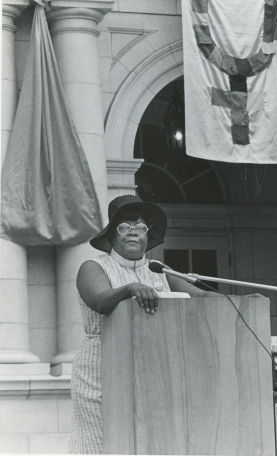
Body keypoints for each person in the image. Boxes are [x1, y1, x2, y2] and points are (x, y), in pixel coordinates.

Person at [69, 194, 221, 454]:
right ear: (112, 236)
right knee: (101, 444)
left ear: (148, 236)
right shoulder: (93, 267)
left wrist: (239, 300)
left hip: (151, 371)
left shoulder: (158, 271)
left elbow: (202, 296)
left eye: (140, 228)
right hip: (101, 371)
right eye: (124, 227)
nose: (133, 233)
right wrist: (129, 288)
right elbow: (101, 300)